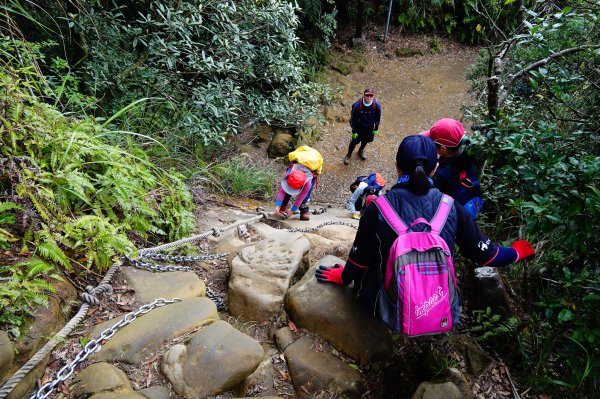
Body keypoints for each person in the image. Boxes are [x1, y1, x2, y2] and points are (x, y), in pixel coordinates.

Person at [315, 135, 535, 323]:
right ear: (435, 167)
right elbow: (488, 255)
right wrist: (518, 251)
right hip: (436, 306)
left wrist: (342, 278)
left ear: (397, 165)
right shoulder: (451, 208)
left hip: (385, 308)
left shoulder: (378, 208)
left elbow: (360, 259)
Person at [422, 118, 483, 219]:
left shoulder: (439, 174)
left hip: (458, 214)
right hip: (475, 200)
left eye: (432, 141)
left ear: (443, 149)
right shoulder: (468, 151)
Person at [274, 146, 323, 221]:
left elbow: (301, 197)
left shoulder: (308, 183)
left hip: (313, 165)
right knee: (286, 191)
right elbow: (282, 191)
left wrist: (293, 210)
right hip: (299, 162)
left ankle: (304, 212)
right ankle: (282, 208)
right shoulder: (288, 174)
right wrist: (278, 205)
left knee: (306, 197)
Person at [344, 88, 382, 165]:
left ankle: (360, 151)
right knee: (354, 142)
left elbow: (378, 118)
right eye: (367, 95)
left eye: (371, 95)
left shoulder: (376, 105)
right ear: (364, 95)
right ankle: (349, 154)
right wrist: (354, 131)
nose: (369, 97)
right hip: (359, 128)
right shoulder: (358, 106)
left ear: (373, 96)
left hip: (369, 127)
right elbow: (353, 120)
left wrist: (376, 128)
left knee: (365, 140)